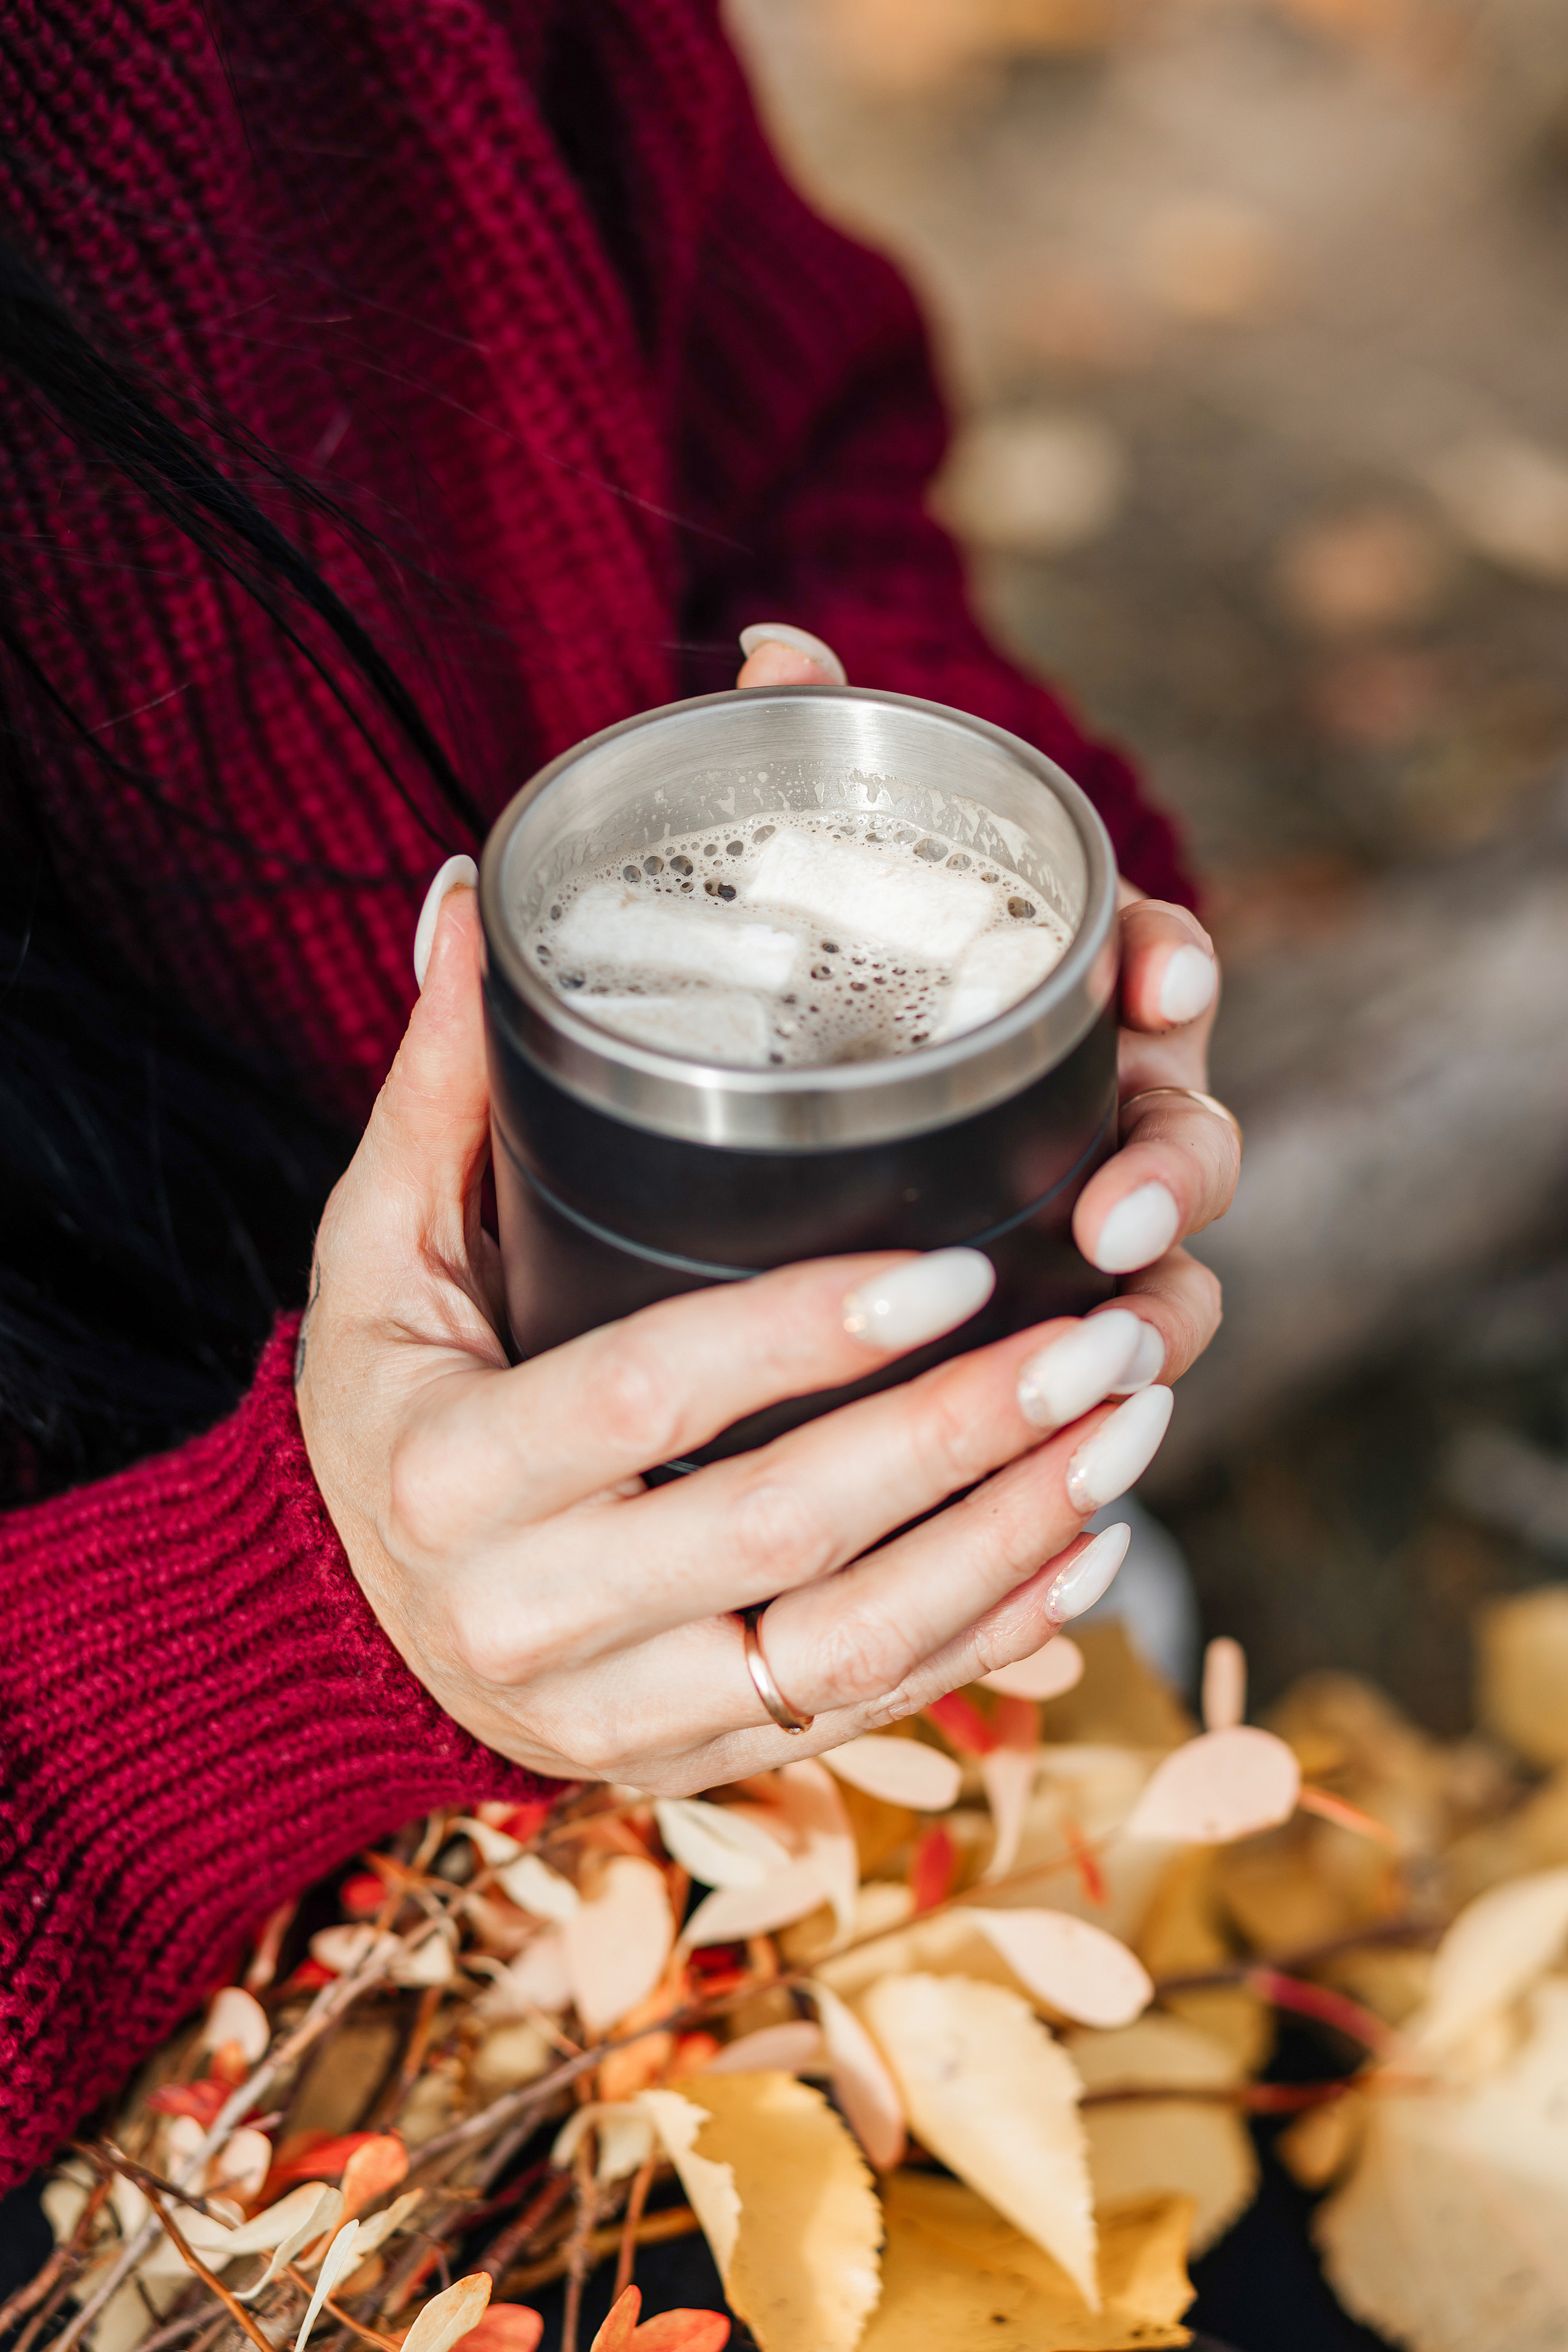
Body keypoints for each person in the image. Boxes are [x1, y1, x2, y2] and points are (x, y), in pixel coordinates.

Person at [0, 0, 1235, 2195]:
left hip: (889, 1769)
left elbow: (783, 441)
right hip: (202, 2162)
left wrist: (992, 887)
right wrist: (261, 1650)